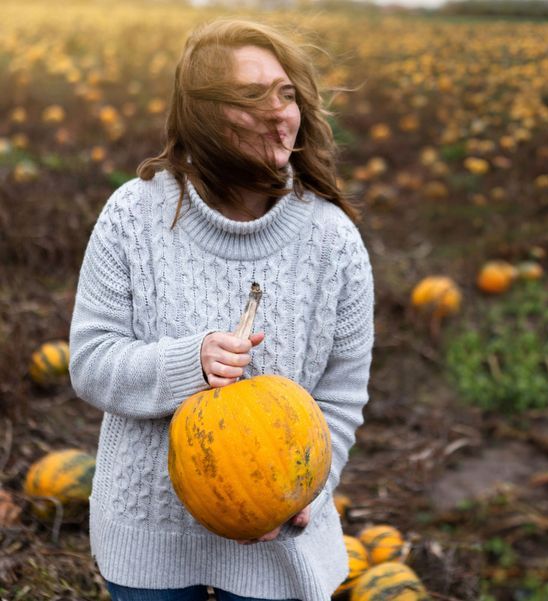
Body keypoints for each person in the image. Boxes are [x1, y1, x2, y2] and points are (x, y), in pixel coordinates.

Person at [68, 18, 373, 601]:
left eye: (286, 95)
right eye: (251, 97)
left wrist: (304, 491)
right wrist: (193, 364)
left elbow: (341, 394)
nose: (279, 112)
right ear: (203, 114)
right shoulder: (133, 216)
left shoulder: (333, 239)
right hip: (149, 540)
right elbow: (90, 362)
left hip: (279, 542)